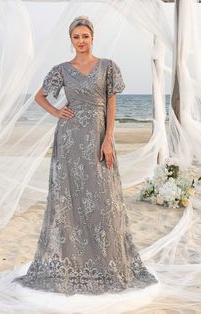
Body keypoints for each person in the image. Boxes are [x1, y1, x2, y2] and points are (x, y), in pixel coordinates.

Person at [12, 15, 158, 295]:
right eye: (76, 37)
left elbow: (111, 105)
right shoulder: (62, 70)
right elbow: (39, 96)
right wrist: (57, 112)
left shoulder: (108, 67)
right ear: (71, 40)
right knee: (69, 201)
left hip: (97, 140)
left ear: (93, 38)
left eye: (85, 36)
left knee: (104, 200)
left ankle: (108, 262)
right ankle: (74, 265)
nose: (81, 41)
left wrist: (108, 139)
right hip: (68, 141)